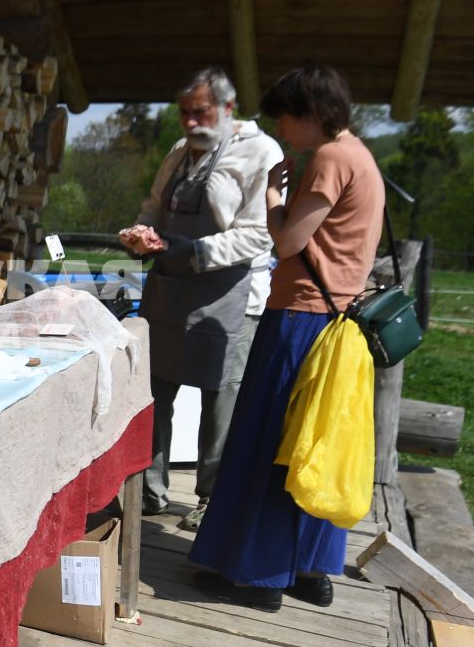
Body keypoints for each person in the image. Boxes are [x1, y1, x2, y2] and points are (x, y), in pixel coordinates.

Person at [188, 64, 385, 611]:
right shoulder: (360, 156)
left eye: (286, 120)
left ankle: (258, 577)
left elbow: (289, 241)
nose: (283, 131)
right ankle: (310, 569)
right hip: (338, 321)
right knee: (314, 444)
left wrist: (274, 197)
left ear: (312, 114)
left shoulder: (327, 159)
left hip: (300, 320)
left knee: (268, 444)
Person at [119, 68, 282, 530]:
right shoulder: (178, 152)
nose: (191, 122)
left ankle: (213, 499)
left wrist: (195, 250)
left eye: (201, 112)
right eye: (185, 113)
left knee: (219, 404)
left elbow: (258, 235)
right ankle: (149, 491)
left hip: (230, 296)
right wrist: (142, 233)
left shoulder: (261, 151)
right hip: (171, 287)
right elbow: (154, 206)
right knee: (155, 392)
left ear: (228, 109)